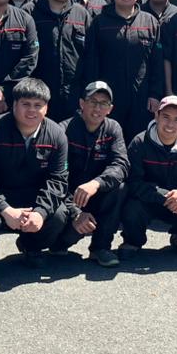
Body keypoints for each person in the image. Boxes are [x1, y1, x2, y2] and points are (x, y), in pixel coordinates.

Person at [0, 78, 70, 275]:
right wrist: (4, 209)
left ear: (46, 108)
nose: (31, 110)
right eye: (25, 104)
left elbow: (58, 180)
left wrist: (40, 212)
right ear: (14, 105)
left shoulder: (57, 135)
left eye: (38, 105)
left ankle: (31, 248)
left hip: (33, 198)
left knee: (59, 214)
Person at [120, 96, 177, 259]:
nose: (170, 124)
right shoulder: (139, 143)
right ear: (156, 116)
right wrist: (165, 197)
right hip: (149, 201)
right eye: (166, 117)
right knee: (130, 208)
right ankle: (133, 241)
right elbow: (133, 182)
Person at [55, 81, 129, 268]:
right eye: (92, 101)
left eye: (103, 103)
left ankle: (100, 248)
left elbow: (121, 164)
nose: (97, 107)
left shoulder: (113, 128)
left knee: (120, 188)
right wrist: (76, 212)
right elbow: (54, 176)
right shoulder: (63, 130)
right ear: (81, 103)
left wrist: (96, 183)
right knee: (60, 242)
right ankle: (47, 243)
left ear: (110, 109)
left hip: (96, 193)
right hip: (67, 197)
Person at [83, 0, 163, 141]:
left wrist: (155, 94)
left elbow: (157, 63)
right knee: (107, 139)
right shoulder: (99, 22)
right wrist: (93, 96)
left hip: (142, 97)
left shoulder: (150, 22)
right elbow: (91, 61)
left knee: (139, 140)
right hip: (108, 96)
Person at [23, 0, 91, 121]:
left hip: (72, 94)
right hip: (37, 94)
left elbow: (90, 54)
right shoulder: (29, 12)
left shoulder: (81, 13)